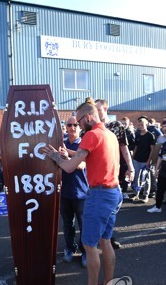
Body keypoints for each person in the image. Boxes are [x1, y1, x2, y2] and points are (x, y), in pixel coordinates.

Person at [43, 102, 121, 285]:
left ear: (86, 118)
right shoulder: (110, 134)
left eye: (77, 122)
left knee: (90, 244)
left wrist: (54, 157)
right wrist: (67, 155)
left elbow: (69, 168)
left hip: (99, 195)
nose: (75, 126)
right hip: (113, 192)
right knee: (105, 241)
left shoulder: (91, 135)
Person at [95, 99, 134, 249]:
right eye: (95, 110)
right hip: (95, 172)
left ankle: (108, 236)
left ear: (106, 109)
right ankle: (99, 236)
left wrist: (131, 167)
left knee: (110, 207)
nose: (97, 112)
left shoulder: (115, 126)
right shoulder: (92, 127)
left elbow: (124, 148)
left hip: (112, 171)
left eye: (99, 109)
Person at [60, 116, 88, 267]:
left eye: (75, 124)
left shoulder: (84, 144)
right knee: (67, 224)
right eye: (69, 124)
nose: (72, 127)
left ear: (80, 127)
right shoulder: (60, 143)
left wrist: (66, 155)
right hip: (64, 192)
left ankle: (85, 251)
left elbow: (82, 165)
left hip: (81, 191)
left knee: (83, 224)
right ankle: (70, 248)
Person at [132, 116, 156, 202]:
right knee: (136, 178)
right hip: (136, 160)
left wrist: (149, 161)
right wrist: (132, 158)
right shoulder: (137, 134)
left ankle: (145, 196)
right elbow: (136, 147)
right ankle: (136, 194)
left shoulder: (150, 136)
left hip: (145, 161)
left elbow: (152, 149)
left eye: (142, 124)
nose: (140, 126)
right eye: (139, 124)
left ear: (146, 124)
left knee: (146, 179)